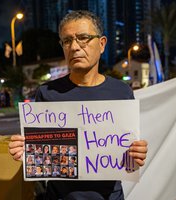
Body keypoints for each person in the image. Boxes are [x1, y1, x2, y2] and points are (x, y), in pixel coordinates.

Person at [9, 10, 148, 200]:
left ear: (102, 44)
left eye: (83, 38)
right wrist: (23, 150)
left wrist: (136, 154)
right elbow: (41, 156)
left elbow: (128, 155)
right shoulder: (47, 93)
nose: (74, 47)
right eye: (66, 41)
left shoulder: (122, 92)